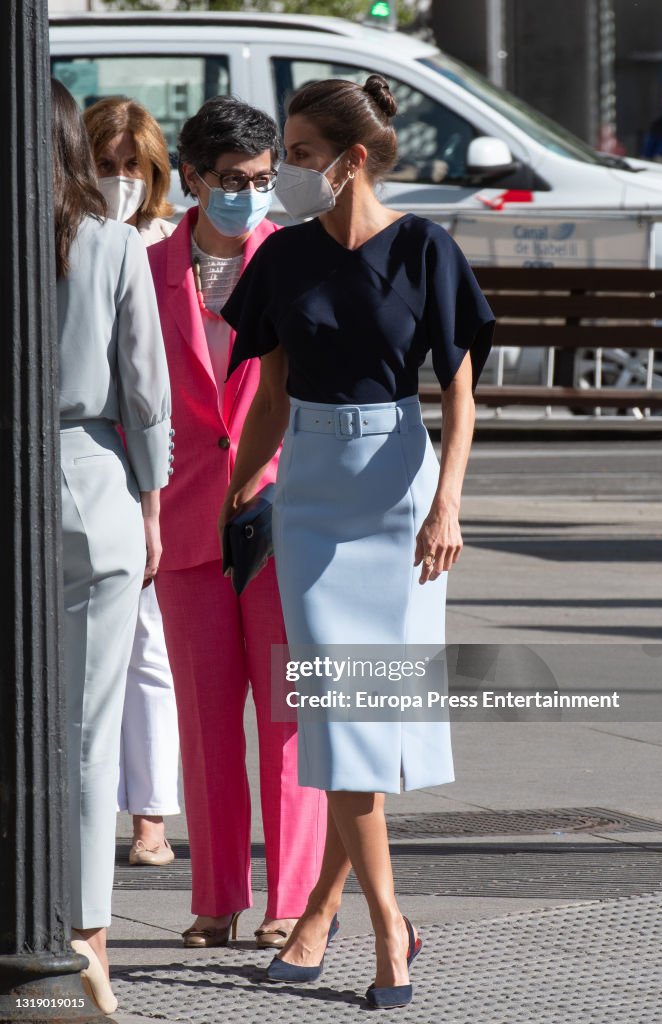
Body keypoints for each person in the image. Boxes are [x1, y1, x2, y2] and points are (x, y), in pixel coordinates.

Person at [219, 75, 494, 1009]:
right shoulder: (283, 257)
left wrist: (448, 504)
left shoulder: (425, 248)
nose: (282, 175)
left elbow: (458, 396)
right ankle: (385, 928)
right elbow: (271, 393)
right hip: (312, 498)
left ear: (353, 159)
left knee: (360, 727)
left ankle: (333, 917)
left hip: (400, 488)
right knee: (343, 723)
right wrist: (234, 490)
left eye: (297, 157)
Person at [147, 96, 327, 950]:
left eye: (259, 181)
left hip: (283, 519)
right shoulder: (142, 270)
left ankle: (288, 900)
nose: (246, 195)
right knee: (206, 723)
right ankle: (216, 897)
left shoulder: (297, 261)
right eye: (229, 181)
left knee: (288, 719)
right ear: (190, 176)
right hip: (183, 522)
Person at [53, 79, 172, 1015]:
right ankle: (87, 934)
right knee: (91, 736)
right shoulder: (111, 242)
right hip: (94, 483)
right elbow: (145, 392)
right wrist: (154, 503)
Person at [84, 96, 180, 867]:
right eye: (104, 165)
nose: (118, 179)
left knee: (147, 643)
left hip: (161, 458)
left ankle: (150, 810)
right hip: (101, 453)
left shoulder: (166, 242)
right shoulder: (78, 237)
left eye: (130, 166)